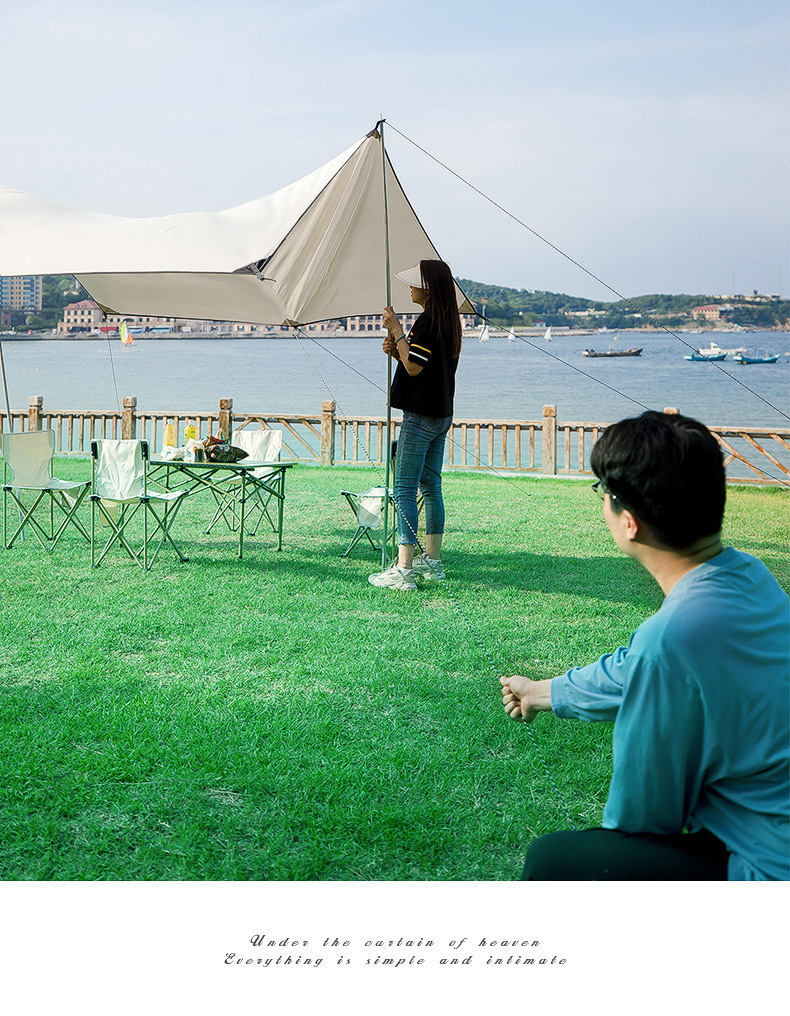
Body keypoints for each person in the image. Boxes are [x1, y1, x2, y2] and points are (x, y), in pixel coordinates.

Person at [501, 410, 789, 880]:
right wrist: (541, 692)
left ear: (630, 522)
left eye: (602, 492)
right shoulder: (750, 576)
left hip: (767, 869)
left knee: (554, 862)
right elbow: (634, 671)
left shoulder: (670, 639)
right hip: (763, 829)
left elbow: (644, 821)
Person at [368, 259, 462, 592]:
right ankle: (432, 562)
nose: (410, 288)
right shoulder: (449, 322)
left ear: (428, 288)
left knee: (405, 489)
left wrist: (397, 331)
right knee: (432, 488)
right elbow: (420, 364)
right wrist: (398, 350)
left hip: (421, 416)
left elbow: (413, 369)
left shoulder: (427, 321)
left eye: (415, 283)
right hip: (442, 414)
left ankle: (404, 569)